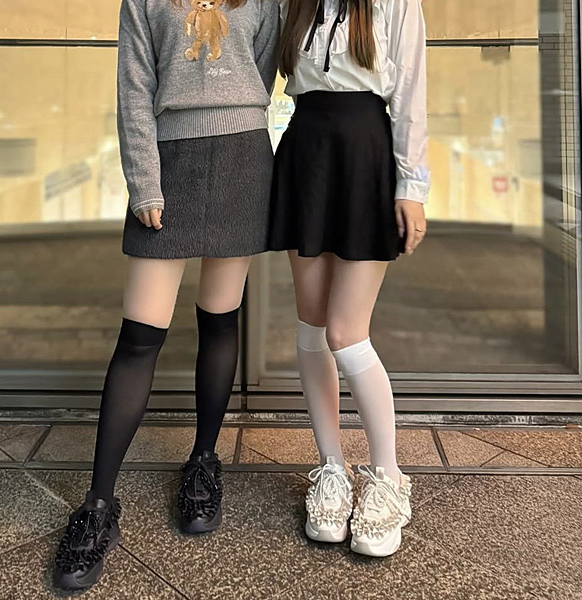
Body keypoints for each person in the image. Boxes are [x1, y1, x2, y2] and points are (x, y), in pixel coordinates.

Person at [54, 0, 279, 590]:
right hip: (170, 160)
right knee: (138, 338)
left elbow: (261, 74)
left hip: (244, 159)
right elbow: (134, 88)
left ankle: (203, 462)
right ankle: (99, 504)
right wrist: (144, 182)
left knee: (220, 318)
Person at [269, 0, 430, 557]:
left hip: (366, 153)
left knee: (345, 332)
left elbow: (410, 93)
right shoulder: (291, 2)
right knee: (312, 327)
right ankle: (332, 469)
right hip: (305, 152)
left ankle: (388, 477)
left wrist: (412, 186)